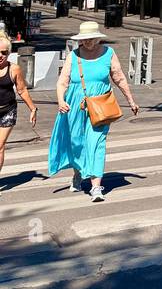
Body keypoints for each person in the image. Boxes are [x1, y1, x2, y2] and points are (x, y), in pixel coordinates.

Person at [49, 20, 139, 201]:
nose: (87, 42)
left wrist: (131, 100)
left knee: (96, 143)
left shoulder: (109, 54)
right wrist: (60, 100)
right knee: (77, 143)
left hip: (100, 107)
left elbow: (119, 78)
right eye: (84, 39)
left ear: (98, 38)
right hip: (74, 106)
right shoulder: (74, 56)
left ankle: (96, 187)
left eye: (91, 39)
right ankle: (78, 173)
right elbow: (62, 82)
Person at [0, 35, 38, 178]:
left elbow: (22, 90)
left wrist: (33, 109)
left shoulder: (14, 69)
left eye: (4, 53)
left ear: (9, 54)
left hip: (7, 110)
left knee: (0, 146)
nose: (0, 56)